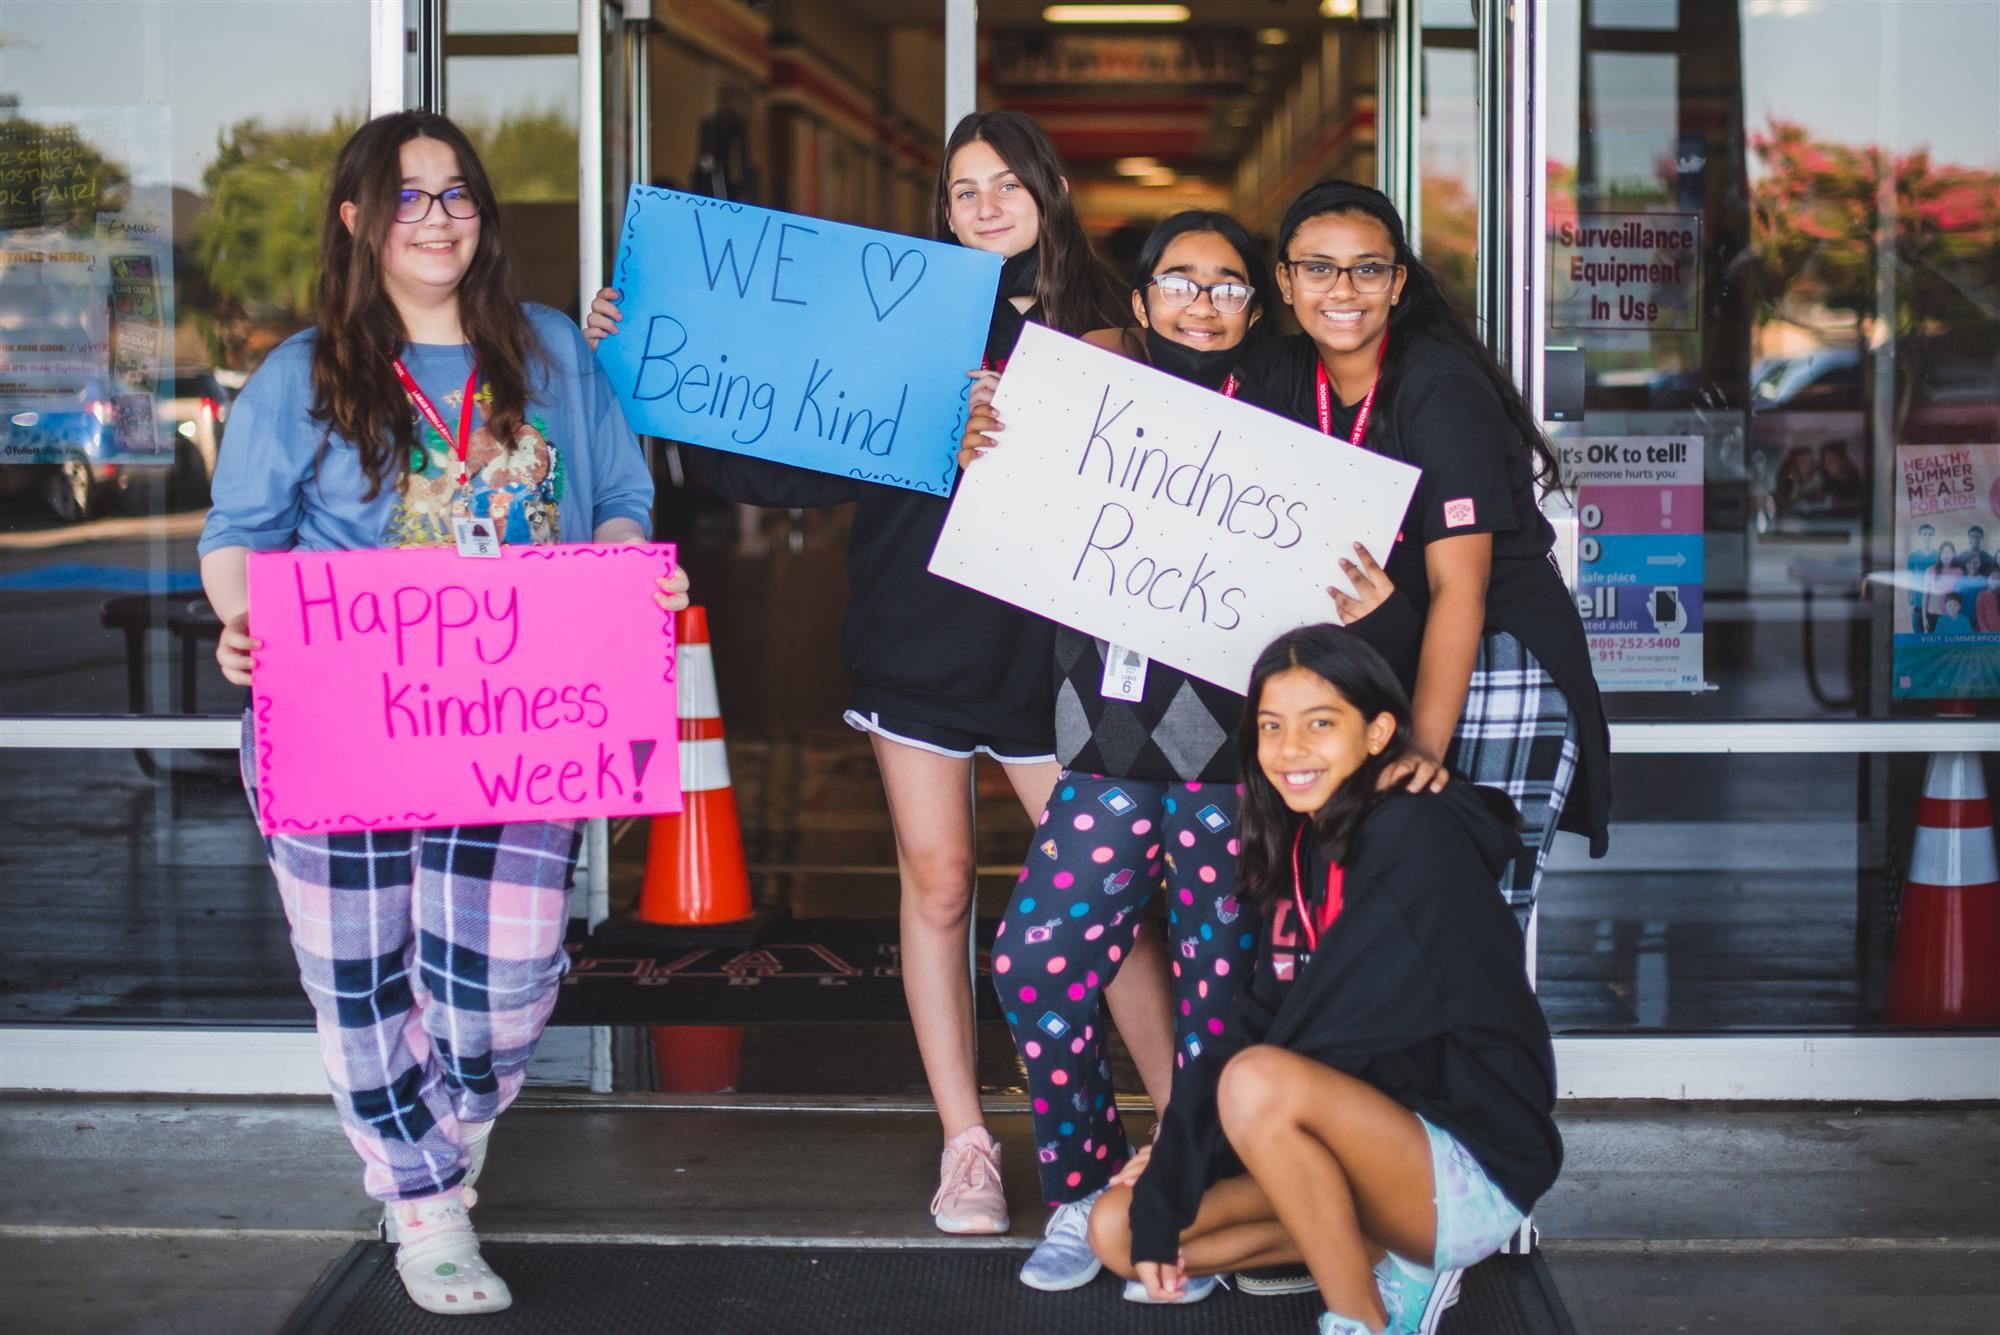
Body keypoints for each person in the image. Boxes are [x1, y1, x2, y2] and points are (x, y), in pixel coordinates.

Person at [586, 110, 1153, 1237]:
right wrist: (637, 345)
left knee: (1111, 903)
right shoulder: (904, 317)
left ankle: (1190, 1123)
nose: (984, 205)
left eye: (1005, 183)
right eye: (961, 190)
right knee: (937, 886)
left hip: (1056, 649)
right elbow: (783, 437)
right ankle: (966, 1143)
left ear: (1049, 191)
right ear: (938, 211)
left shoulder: (1113, 320)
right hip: (917, 630)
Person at [197, 111, 687, 1317]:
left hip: (525, 725)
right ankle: (422, 1202)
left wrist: (633, 572)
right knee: (359, 980)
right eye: (408, 197)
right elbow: (237, 540)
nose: (436, 217)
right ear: (359, 220)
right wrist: (242, 619)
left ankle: (438, 1143)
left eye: (457, 194)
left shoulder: (554, 352)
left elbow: (619, 495)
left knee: (504, 986)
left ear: (484, 217)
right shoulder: (300, 372)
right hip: (336, 722)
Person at [959, 209, 1438, 1299]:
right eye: (1178, 281)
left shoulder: (1287, 414)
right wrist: (988, 435)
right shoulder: (1070, 400)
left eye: (1226, 286)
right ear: (1137, 300)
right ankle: (1087, 1192)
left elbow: (1344, 562)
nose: (1202, 301)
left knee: (1220, 1000)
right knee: (1035, 967)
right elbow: (1001, 514)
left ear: (1254, 306)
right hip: (1103, 750)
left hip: (1239, 764)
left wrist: (1376, 599)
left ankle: (1194, 1204)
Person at [1085, 624, 1563, 1335]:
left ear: (1378, 733)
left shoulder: (1413, 835)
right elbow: (1255, 1020)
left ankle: (1362, 1319)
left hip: (1469, 1160)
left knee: (1255, 1083)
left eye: (1320, 723)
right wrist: (1170, 1169)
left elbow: (1319, 1040)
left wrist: (1195, 1152)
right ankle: (1381, 1248)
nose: (1290, 748)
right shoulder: (1307, 842)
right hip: (1364, 1145)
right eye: (1272, 726)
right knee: (1119, 1229)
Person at [1228, 180, 1610, 921]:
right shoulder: (1282, 371)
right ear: (1284, 280)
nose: (1343, 290)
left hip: (1498, 667)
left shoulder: (1439, 389)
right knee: (1378, 910)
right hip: (1386, 658)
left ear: (1398, 281)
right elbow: (1164, 380)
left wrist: (1424, 751)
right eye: (1318, 268)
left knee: (1468, 915)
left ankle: (1484, 1043)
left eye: (1368, 268)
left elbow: (1460, 590)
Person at [1906, 522, 1938, 633]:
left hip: (1934, 604)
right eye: (1924, 534)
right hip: (1918, 602)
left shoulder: (1938, 555)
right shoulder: (1913, 556)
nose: (1927, 537)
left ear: (1933, 536)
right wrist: (1910, 600)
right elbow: (1909, 579)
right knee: (1918, 636)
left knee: (1934, 637)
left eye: (1930, 535)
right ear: (1920, 536)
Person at [1925, 541, 1962, 633]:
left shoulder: (1958, 571)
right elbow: (1925, 596)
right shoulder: (1930, 570)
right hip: (1932, 614)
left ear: (1953, 554)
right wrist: (1924, 618)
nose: (1946, 555)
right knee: (1933, 645)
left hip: (1949, 615)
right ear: (1940, 554)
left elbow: (1959, 596)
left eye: (1949, 552)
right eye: (1944, 552)